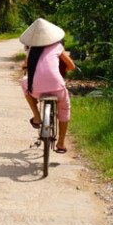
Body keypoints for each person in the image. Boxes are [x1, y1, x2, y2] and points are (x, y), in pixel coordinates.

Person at [19, 18, 75, 154]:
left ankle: (37, 116)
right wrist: (59, 71)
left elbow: (25, 66)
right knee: (64, 108)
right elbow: (71, 66)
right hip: (57, 86)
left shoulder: (31, 50)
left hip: (36, 89)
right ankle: (61, 144)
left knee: (24, 83)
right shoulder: (57, 47)